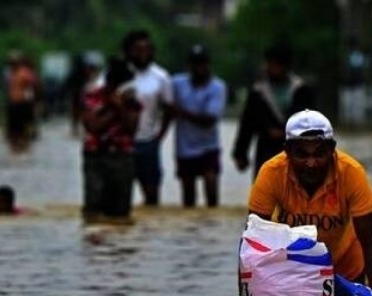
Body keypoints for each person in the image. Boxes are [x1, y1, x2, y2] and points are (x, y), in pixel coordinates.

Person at [220, 109, 372, 296]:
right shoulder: (271, 173)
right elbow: (251, 247)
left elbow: (371, 246)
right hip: (294, 274)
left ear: (332, 149)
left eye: (319, 154)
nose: (311, 163)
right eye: (301, 154)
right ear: (287, 151)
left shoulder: (352, 173)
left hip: (346, 273)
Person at [232, 44, 315, 180]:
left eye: (276, 65)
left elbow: (311, 123)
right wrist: (240, 154)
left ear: (286, 66)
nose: (271, 68)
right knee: (265, 185)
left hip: (295, 149)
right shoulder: (258, 92)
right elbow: (247, 124)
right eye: (269, 64)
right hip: (266, 148)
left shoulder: (301, 91)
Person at [80, 56, 142, 223]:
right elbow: (93, 126)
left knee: (120, 211)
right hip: (95, 156)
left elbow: (131, 129)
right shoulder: (92, 97)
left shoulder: (132, 102)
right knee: (93, 207)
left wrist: (121, 106)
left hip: (122, 156)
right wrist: (113, 107)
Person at [122, 29, 174, 206]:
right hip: (122, 142)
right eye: (138, 50)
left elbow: (170, 109)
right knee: (120, 197)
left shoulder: (161, 77)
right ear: (129, 51)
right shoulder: (118, 73)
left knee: (152, 196)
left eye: (147, 50)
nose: (143, 54)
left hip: (148, 141)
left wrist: (159, 136)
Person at [171, 44, 227, 207]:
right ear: (189, 65)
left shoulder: (217, 87)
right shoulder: (177, 83)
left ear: (208, 64)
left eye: (202, 63)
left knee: (211, 191)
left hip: (208, 146)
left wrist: (180, 111)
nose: (199, 67)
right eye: (195, 63)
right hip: (184, 147)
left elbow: (209, 120)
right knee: (188, 198)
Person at [5, 53, 40, 152]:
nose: (12, 65)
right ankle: (15, 144)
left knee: (24, 124)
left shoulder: (25, 73)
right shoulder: (9, 74)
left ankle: (24, 142)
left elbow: (34, 85)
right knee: (14, 125)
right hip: (13, 102)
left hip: (23, 102)